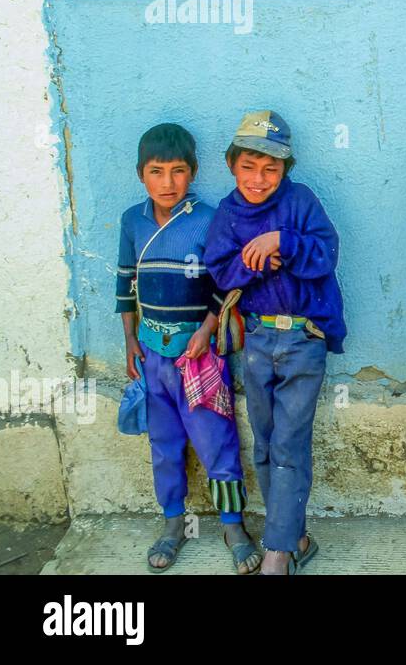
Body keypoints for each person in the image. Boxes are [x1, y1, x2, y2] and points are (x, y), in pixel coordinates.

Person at [204, 111, 346, 576]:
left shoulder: (301, 202)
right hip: (258, 339)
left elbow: (326, 254)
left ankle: (278, 551)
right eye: (249, 166)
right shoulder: (227, 213)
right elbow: (222, 272)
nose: (259, 178)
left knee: (289, 443)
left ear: (287, 168)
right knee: (264, 443)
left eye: (271, 168)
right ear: (231, 165)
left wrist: (280, 240)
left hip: (304, 337)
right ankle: (296, 537)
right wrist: (260, 258)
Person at [117, 123, 259, 574]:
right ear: (141, 174)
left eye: (178, 172)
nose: (167, 183)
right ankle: (173, 523)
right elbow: (125, 285)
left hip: (198, 359)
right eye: (156, 172)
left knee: (216, 440)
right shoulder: (132, 221)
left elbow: (226, 284)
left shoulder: (208, 218)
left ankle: (233, 525)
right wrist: (129, 342)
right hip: (152, 356)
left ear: (193, 172)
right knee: (164, 444)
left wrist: (207, 328)